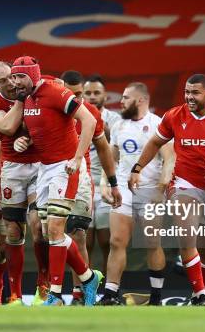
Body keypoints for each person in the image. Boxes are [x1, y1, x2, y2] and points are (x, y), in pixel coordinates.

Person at [130, 74, 205, 305]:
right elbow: (155, 142)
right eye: (187, 92)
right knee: (186, 236)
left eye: (195, 92)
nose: (189, 97)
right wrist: (137, 168)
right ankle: (200, 294)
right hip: (185, 184)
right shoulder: (175, 115)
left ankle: (200, 294)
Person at [8, 56, 103, 306]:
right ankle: (89, 277)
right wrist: (24, 141)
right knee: (49, 233)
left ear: (33, 75)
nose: (16, 82)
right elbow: (37, 130)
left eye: (20, 76)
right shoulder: (27, 99)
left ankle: (56, 295)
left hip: (65, 166)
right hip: (45, 168)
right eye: (14, 77)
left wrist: (77, 157)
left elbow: (89, 120)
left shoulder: (55, 92)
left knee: (55, 230)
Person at [98, 82, 174, 306]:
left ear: (140, 100)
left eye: (125, 97)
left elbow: (170, 158)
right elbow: (110, 159)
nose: (121, 101)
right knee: (117, 241)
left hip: (149, 189)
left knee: (152, 242)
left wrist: (161, 187)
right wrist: (105, 183)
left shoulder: (157, 124)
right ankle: (111, 294)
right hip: (123, 188)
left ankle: (157, 297)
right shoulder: (119, 126)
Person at [0, 61, 37, 305]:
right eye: (3, 80)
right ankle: (1, 287)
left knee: (40, 226)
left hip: (41, 165)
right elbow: (7, 126)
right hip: (12, 169)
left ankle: (44, 289)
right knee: (9, 239)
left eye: (12, 77)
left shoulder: (37, 88)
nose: (10, 83)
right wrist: (21, 98)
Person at [83, 75, 121, 275]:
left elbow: (118, 152)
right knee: (84, 241)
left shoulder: (116, 120)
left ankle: (109, 288)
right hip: (83, 186)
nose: (92, 97)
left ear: (106, 96)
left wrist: (100, 125)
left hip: (106, 185)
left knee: (108, 242)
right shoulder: (77, 116)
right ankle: (83, 289)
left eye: (96, 93)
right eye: (87, 93)